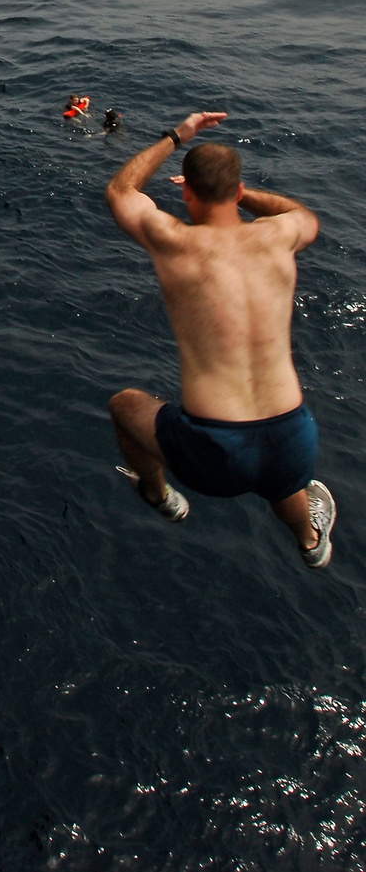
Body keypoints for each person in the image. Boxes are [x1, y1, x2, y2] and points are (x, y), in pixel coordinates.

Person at [104, 111, 335, 569]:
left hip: (215, 449)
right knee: (283, 479)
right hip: (295, 435)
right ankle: (311, 542)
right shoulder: (280, 235)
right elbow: (303, 215)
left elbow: (121, 191)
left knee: (125, 406)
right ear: (238, 191)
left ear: (186, 191)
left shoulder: (172, 240)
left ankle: (158, 495)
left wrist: (177, 135)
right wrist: (246, 198)